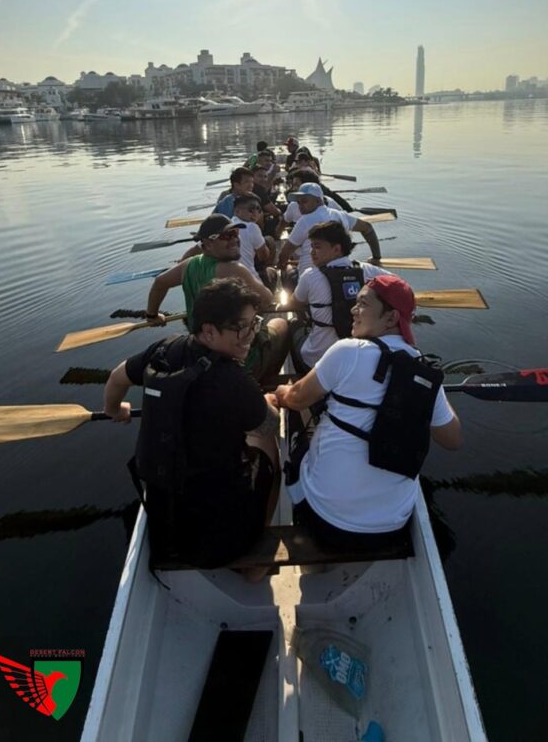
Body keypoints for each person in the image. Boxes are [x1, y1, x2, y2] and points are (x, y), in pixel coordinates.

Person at [104, 279, 281, 571]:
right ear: (209, 331)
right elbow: (268, 426)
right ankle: (257, 557)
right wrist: (268, 402)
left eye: (255, 323)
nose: (251, 335)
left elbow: (116, 377)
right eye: (242, 328)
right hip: (221, 543)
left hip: (169, 532)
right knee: (267, 443)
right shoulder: (236, 382)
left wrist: (114, 409)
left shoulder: (162, 350)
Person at [274, 275, 462, 549]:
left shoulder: (346, 351)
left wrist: (280, 394)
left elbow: (297, 399)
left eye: (362, 304)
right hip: (391, 529)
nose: (353, 310)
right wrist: (432, 393)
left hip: (325, 522)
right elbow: (453, 440)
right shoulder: (422, 371)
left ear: (391, 318)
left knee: (294, 413)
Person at [145, 213, 289, 385]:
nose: (235, 240)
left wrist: (152, 315)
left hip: (200, 349)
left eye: (236, 234)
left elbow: (159, 283)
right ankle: (263, 379)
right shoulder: (233, 269)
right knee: (282, 325)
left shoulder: (188, 265)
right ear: (207, 244)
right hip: (235, 352)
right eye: (226, 236)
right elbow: (268, 300)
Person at [286, 220, 381, 369]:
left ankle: (299, 375)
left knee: (292, 325)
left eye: (317, 247)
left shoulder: (310, 275)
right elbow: (401, 286)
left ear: (337, 249)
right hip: (355, 359)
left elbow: (293, 303)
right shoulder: (367, 270)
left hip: (317, 360)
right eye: (311, 247)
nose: (312, 252)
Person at [278, 182, 381, 281]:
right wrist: (376, 257)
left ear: (318, 201)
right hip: (338, 274)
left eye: (304, 201)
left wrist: (281, 266)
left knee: (287, 271)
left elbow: (285, 253)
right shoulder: (340, 215)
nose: (300, 206)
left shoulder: (304, 221)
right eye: (299, 202)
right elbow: (368, 228)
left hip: (309, 276)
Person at [233, 193, 275, 286]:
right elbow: (263, 256)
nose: (256, 213)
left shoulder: (224, 225)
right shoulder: (252, 227)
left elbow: (193, 251)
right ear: (237, 211)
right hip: (248, 279)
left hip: (228, 279)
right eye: (251, 209)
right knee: (270, 242)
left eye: (259, 210)